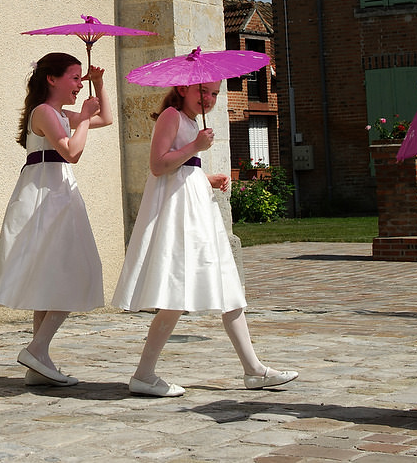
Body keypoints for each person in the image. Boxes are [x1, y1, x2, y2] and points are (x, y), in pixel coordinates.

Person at [113, 81, 298, 398]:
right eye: (203, 92)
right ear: (183, 89)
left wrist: (206, 177)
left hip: (199, 211)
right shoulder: (171, 115)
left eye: (214, 94)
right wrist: (195, 148)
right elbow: (158, 166)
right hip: (181, 216)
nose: (209, 99)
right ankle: (144, 374)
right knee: (175, 294)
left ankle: (253, 369)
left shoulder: (192, 121)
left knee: (228, 286)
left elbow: (182, 170)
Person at [0, 52, 112, 387]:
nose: (79, 85)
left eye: (82, 79)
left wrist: (99, 83)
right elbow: (71, 152)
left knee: (51, 276)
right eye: (75, 78)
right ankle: (36, 350)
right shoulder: (44, 113)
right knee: (72, 271)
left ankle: (39, 363)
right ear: (52, 79)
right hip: (46, 196)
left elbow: (105, 118)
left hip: (58, 192)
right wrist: (83, 121)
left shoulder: (63, 113)